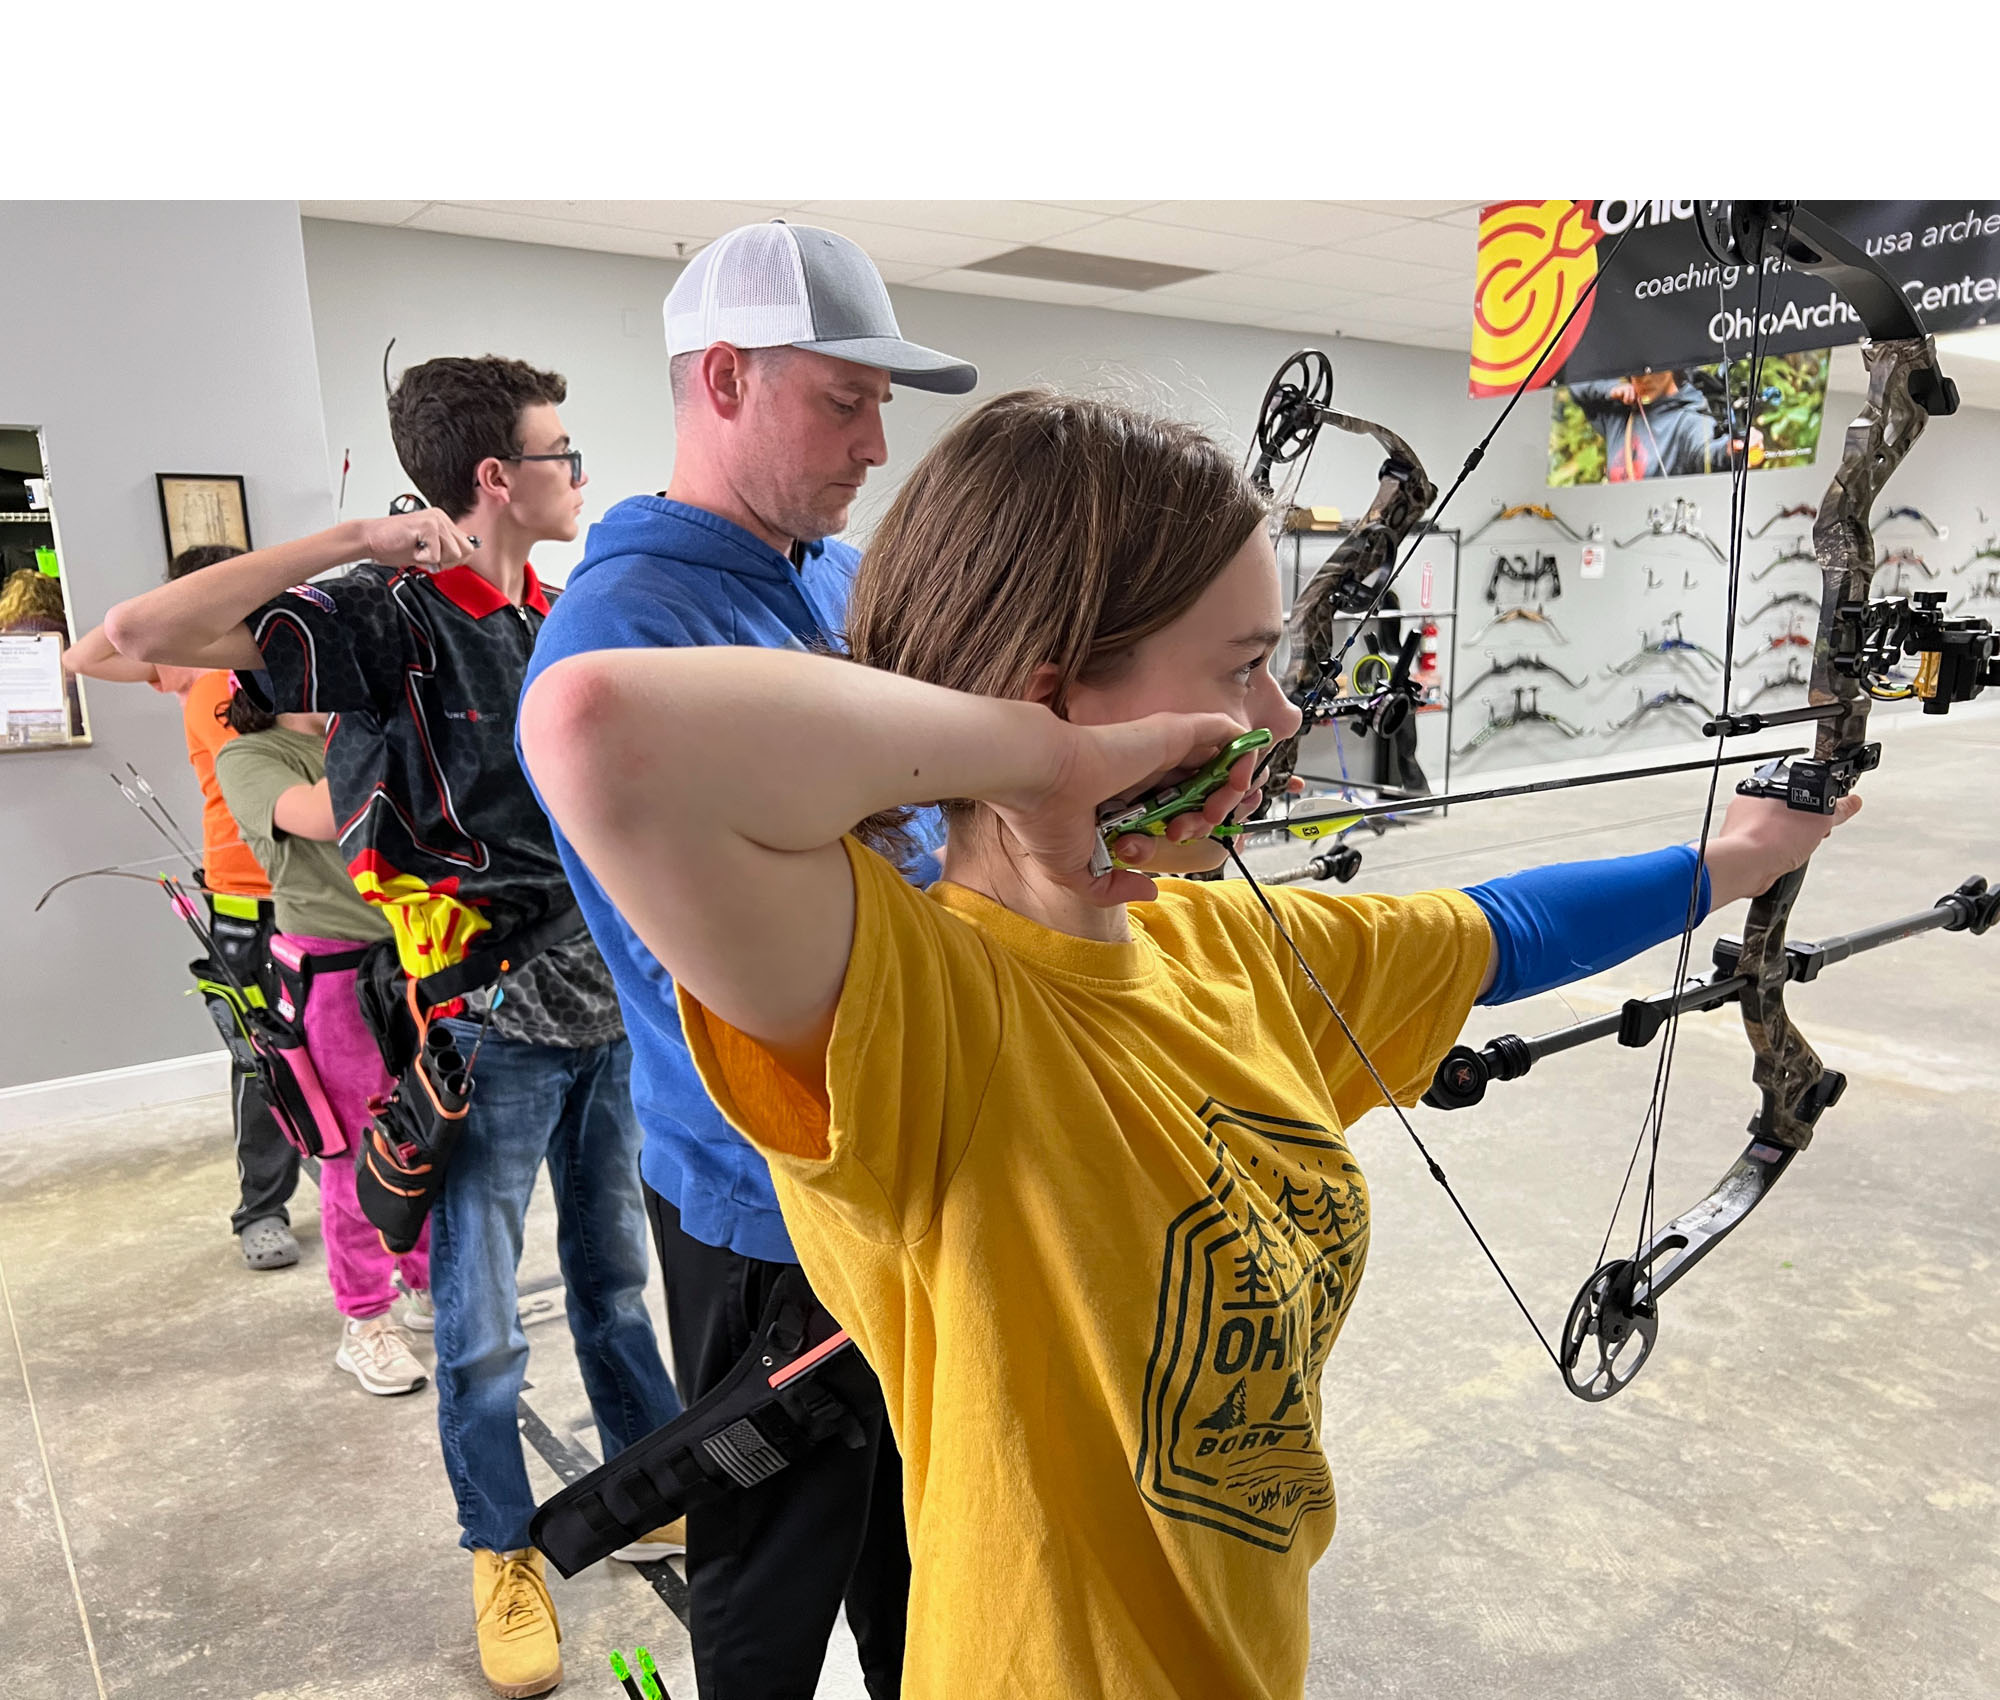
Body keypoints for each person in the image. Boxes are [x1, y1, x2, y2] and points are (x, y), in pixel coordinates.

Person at [519, 388, 1860, 1700]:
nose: (1280, 717)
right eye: (1240, 670)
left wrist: (1737, 856)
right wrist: (1035, 767)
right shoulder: (913, 1007)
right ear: (1051, 696)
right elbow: (600, 734)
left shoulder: (1226, 951)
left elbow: (1502, 932)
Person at [104, 355, 683, 1700]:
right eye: (562, 448)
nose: (578, 469)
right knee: (481, 1327)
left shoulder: (562, 608)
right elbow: (135, 632)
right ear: (498, 476)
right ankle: (503, 1550)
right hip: (481, 1024)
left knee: (610, 1283)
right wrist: (353, 538)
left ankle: (652, 1485)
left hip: (607, 1011)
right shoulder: (390, 616)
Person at [520, 219, 975, 1700]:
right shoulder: (623, 631)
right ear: (724, 378)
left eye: (879, 406)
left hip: (910, 1161)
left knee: (923, 1537)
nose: (875, 441)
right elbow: (721, 967)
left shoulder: (833, 580)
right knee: (775, 1564)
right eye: (844, 401)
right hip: (764, 1192)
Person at [68, 546, 302, 1272]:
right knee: (259, 1056)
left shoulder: (293, 658)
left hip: (317, 889)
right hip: (239, 894)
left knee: (342, 1047)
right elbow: (83, 655)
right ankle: (261, 1207)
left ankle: (358, 1186)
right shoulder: (187, 666)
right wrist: (177, 612)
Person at [211, 685, 433, 1395]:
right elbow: (320, 813)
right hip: (332, 973)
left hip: (417, 959)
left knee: (432, 1132)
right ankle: (366, 1319)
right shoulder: (253, 755)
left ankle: (426, 1282)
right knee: (353, 1152)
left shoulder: (359, 733)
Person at [1566, 367, 1762, 480]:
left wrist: (1731, 450)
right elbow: (1575, 381)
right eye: (1636, 369)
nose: (1644, 378)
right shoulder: (1619, 415)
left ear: (1673, 368)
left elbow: (1706, 452)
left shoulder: (1689, 418)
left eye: (1653, 368)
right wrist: (1611, 388)